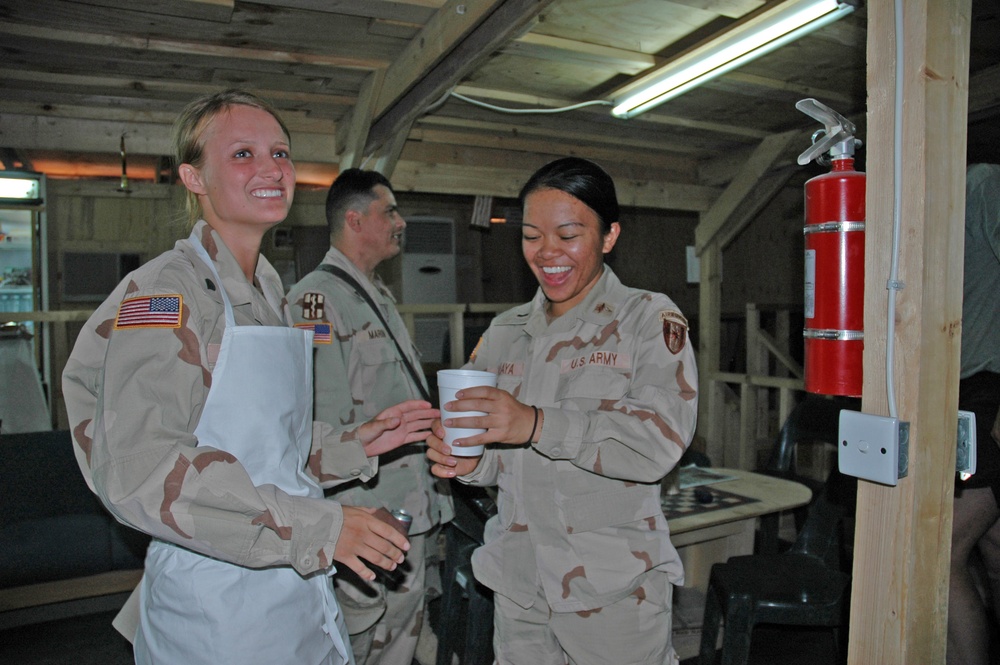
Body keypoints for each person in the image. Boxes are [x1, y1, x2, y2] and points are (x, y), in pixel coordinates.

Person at [61, 89, 438, 665]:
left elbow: (259, 448)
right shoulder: (168, 292)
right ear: (194, 177)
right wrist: (319, 527)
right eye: (243, 154)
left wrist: (353, 444)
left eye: (281, 153)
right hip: (217, 609)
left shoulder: (268, 292)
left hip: (294, 592)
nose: (272, 169)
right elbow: (138, 469)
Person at [425, 157, 699, 665]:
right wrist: (465, 461)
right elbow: (492, 456)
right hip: (519, 585)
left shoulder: (646, 317)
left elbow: (659, 441)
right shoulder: (506, 331)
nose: (547, 252)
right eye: (531, 236)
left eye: (568, 234)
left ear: (609, 235)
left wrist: (534, 423)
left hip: (612, 592)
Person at [287, 169, 453, 664]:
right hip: (369, 510)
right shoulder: (316, 301)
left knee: (403, 633)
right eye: (391, 211)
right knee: (364, 640)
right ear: (355, 220)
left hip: (407, 503)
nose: (401, 222)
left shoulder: (375, 294)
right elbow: (321, 429)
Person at [947, 163, 1000, 665]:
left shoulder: (981, 184)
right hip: (961, 393)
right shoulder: (934, 209)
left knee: (943, 556)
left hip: (986, 393)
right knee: (992, 550)